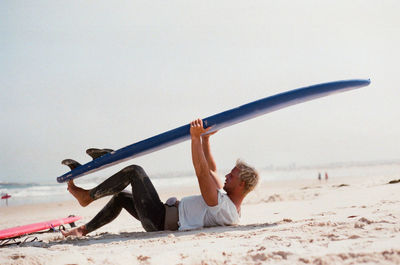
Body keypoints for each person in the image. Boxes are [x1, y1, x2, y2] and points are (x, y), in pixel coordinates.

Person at [61, 119, 259, 237]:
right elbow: (211, 169)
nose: (226, 176)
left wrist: (194, 138)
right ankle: (83, 230)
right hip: (160, 214)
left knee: (135, 172)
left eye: (232, 176)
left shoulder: (224, 209)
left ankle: (88, 197)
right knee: (121, 197)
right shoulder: (228, 204)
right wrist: (205, 139)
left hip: (160, 220)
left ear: (242, 184)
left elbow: (200, 171)